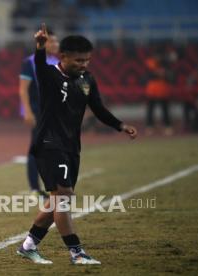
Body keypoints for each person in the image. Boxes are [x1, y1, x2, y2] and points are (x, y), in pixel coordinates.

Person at [17, 24, 137, 265]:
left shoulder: (87, 80)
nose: (83, 64)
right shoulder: (50, 74)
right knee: (63, 196)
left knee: (56, 200)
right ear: (63, 57)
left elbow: (98, 108)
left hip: (71, 146)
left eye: (87, 60)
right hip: (49, 143)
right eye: (79, 60)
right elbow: (39, 65)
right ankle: (77, 252)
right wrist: (40, 47)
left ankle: (28, 245)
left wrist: (119, 125)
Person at [19, 29, 59, 197]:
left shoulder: (57, 61)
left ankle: (53, 185)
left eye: (57, 42)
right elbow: (23, 89)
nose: (56, 45)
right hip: (37, 110)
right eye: (52, 42)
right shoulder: (30, 62)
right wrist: (27, 111)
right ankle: (35, 187)